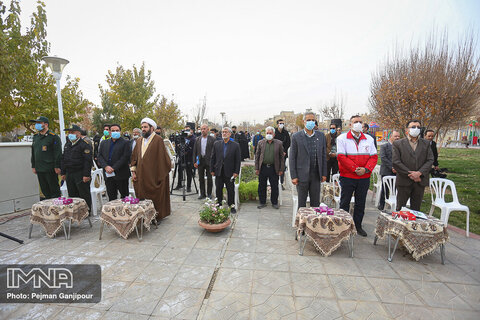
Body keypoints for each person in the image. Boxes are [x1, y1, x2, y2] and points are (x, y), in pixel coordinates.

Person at [336, 115, 378, 237]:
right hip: (348, 176)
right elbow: (341, 157)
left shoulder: (369, 139)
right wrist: (355, 169)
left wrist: (365, 169)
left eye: (360, 122)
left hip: (363, 177)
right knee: (345, 202)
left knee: (361, 202)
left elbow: (374, 157)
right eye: (355, 122)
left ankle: (358, 225)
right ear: (350, 124)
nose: (358, 124)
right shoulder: (342, 138)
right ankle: (342, 225)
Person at [130, 117, 172, 220]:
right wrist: (134, 172)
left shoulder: (158, 140)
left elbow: (164, 160)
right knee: (141, 196)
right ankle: (144, 216)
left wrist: (159, 176)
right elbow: (134, 158)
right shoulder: (139, 141)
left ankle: (156, 217)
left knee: (155, 197)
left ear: (152, 128)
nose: (143, 129)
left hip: (153, 177)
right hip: (141, 176)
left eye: (145, 127)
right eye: (142, 127)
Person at [392, 120, 433, 211]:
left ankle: (414, 225)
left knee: (416, 209)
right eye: (413, 127)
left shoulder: (426, 143)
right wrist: (410, 174)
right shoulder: (398, 143)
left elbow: (430, 160)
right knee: (401, 209)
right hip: (404, 180)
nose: (416, 129)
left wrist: (419, 173)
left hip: (419, 181)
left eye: (418, 127)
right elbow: (396, 161)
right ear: (407, 129)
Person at [289, 112, 327, 208]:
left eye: (313, 120)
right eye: (308, 120)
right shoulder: (296, 137)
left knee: (315, 204)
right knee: (301, 204)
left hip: (316, 175)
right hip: (302, 176)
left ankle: (314, 222)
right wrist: (294, 176)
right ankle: (301, 222)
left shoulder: (321, 136)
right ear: (303, 121)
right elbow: (292, 157)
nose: (311, 122)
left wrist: (324, 173)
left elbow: (323, 155)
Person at [61, 125, 92, 213]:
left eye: (72, 132)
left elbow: (87, 161)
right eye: (69, 132)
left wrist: (86, 175)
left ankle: (86, 212)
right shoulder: (68, 144)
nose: (70, 134)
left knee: (83, 193)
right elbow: (63, 159)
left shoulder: (84, 145)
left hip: (80, 173)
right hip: (69, 173)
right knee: (72, 194)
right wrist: (63, 172)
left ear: (78, 133)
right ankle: (75, 212)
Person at [30, 116, 61, 199]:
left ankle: (56, 208)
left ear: (46, 124)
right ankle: (48, 208)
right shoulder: (36, 137)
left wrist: (57, 166)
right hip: (39, 168)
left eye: (39, 123)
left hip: (50, 168)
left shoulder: (53, 137)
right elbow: (33, 152)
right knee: (45, 190)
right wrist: (33, 166)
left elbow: (57, 153)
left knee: (54, 190)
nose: (37, 125)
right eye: (36, 123)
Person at [210, 127, 241, 214]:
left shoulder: (235, 145)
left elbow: (238, 160)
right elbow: (213, 157)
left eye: (226, 132)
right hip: (219, 171)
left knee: (230, 190)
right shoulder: (217, 144)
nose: (224, 133)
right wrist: (212, 169)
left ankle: (231, 206)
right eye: (223, 132)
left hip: (230, 172)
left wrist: (236, 172)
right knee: (218, 190)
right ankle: (218, 205)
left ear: (230, 134)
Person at [98, 124, 131, 201]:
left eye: (117, 130)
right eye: (113, 131)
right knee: (111, 197)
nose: (115, 132)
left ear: (120, 131)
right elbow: (100, 156)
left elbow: (125, 157)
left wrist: (113, 168)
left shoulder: (126, 142)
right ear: (109, 132)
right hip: (108, 175)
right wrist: (106, 167)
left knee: (124, 197)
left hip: (121, 174)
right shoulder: (104, 143)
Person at [255, 126, 284, 209]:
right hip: (263, 167)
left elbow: (282, 157)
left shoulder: (279, 143)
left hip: (274, 168)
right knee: (261, 186)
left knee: (274, 186)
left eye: (270, 133)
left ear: (274, 134)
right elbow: (257, 156)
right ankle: (262, 202)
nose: (268, 135)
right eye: (267, 133)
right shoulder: (261, 142)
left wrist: (281, 169)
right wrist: (257, 168)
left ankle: (274, 202)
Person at [378, 131, 401, 210]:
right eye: (395, 136)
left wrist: (397, 168)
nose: (397, 138)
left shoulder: (400, 147)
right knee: (385, 189)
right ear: (390, 137)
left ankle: (394, 204)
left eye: (398, 136)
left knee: (395, 188)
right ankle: (382, 204)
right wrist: (392, 167)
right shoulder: (384, 146)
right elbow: (383, 158)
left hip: (397, 171)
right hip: (386, 170)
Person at [193, 124, 215, 199]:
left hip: (209, 161)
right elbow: (195, 151)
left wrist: (214, 162)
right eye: (201, 129)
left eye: (204, 129)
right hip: (200, 161)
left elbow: (214, 152)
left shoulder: (212, 139)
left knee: (209, 178)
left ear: (208, 130)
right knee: (200, 178)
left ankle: (209, 194)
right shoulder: (197, 139)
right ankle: (202, 194)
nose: (203, 130)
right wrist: (194, 162)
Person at [174, 125, 196, 192]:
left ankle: (188, 187)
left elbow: (193, 149)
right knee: (179, 171)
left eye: (188, 130)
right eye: (185, 130)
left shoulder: (193, 138)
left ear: (191, 131)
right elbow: (178, 146)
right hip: (181, 157)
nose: (187, 132)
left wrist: (186, 152)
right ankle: (179, 184)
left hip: (189, 158)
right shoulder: (183, 137)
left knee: (189, 172)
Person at [274, 119, 291, 189]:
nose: (281, 125)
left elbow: (288, 143)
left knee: (282, 169)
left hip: (283, 154)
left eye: (283, 123)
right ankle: (275, 183)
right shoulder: (274, 132)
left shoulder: (286, 133)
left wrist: (284, 151)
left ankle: (281, 183)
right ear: (277, 124)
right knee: (275, 168)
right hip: (275, 153)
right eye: (280, 123)